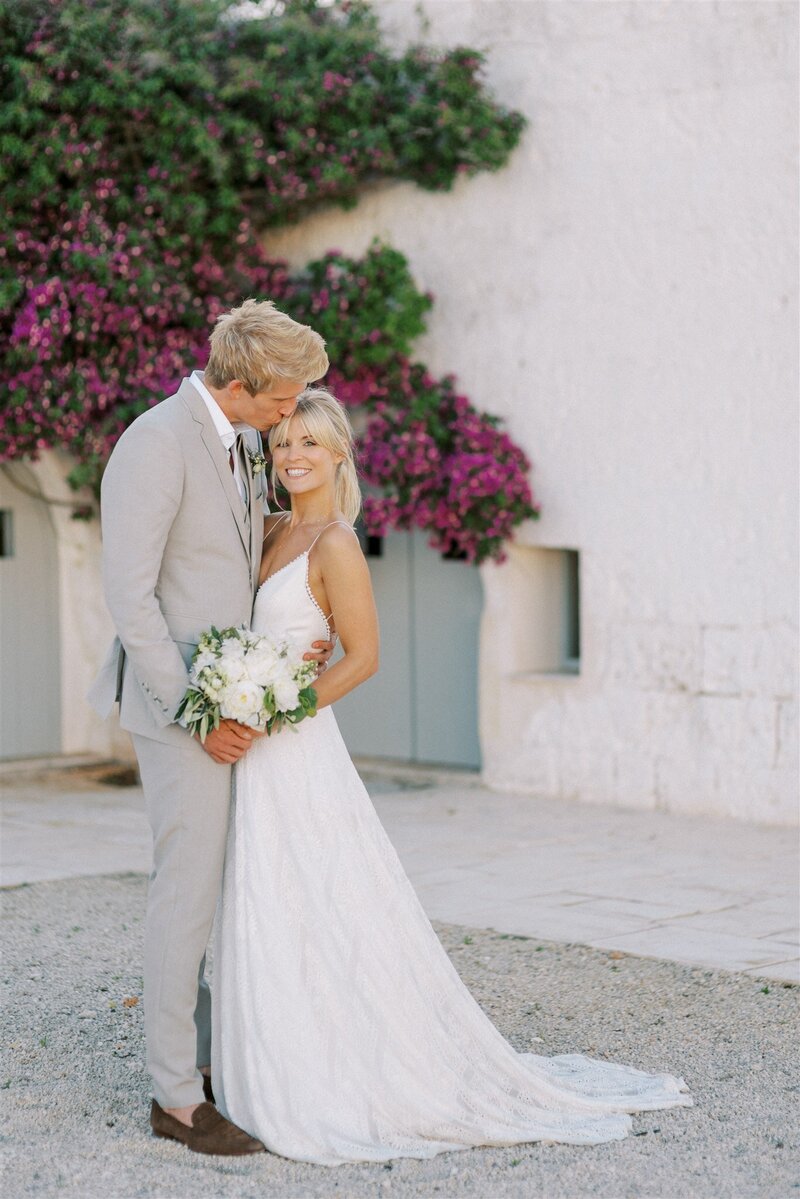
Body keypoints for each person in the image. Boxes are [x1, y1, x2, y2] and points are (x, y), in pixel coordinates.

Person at [211, 388, 693, 1165]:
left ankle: (337, 1066)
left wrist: (274, 710)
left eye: (308, 442)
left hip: (292, 746)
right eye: (282, 443)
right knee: (262, 898)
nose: (292, 455)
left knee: (315, 895)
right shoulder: (269, 529)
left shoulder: (334, 540)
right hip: (245, 747)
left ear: (338, 453)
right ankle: (264, 1049)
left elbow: (362, 658)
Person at [89, 300, 331, 1155]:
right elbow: (133, 599)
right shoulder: (154, 445)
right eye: (283, 398)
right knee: (185, 893)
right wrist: (197, 712)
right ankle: (175, 1098)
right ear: (239, 384)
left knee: (225, 890)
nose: (289, 412)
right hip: (180, 709)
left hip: (238, 699)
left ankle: (211, 1059)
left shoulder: (239, 440)